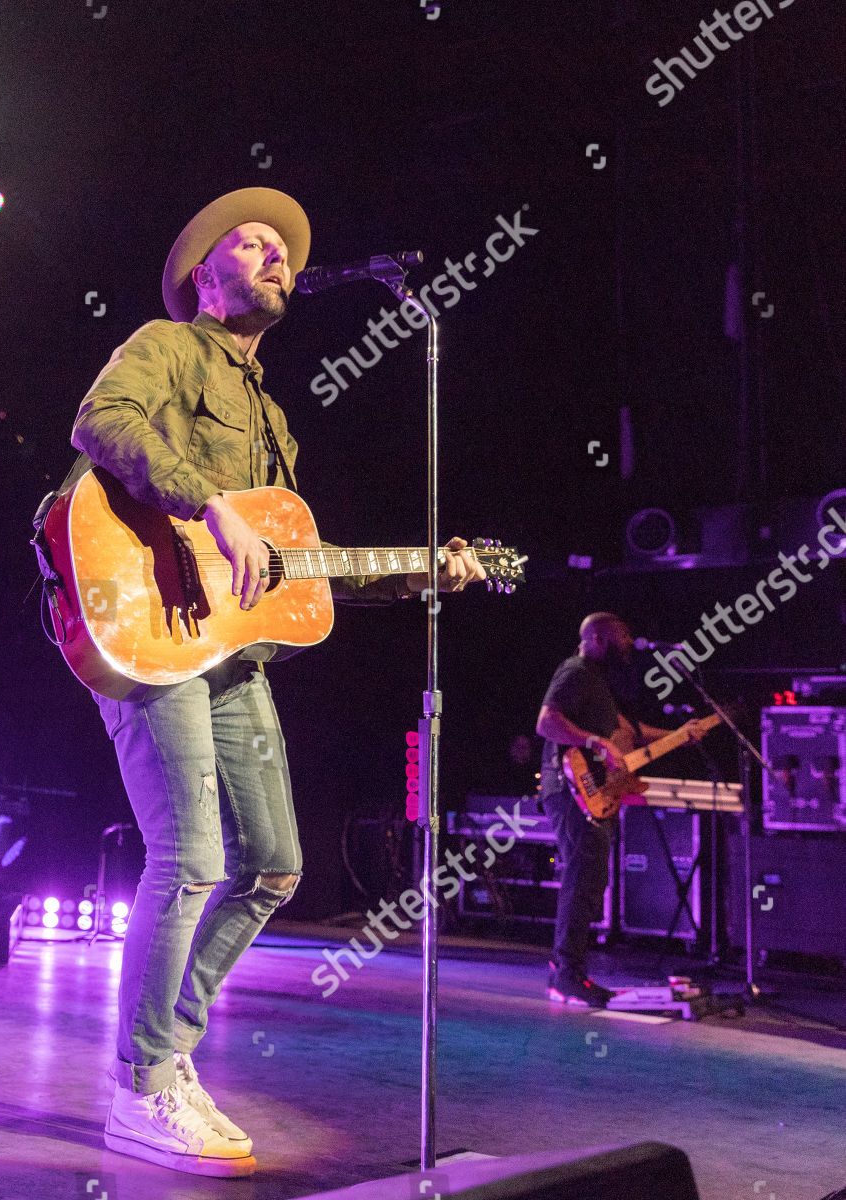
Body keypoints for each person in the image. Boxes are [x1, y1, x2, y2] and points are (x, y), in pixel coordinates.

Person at [67, 187, 486, 1177]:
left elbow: (287, 575)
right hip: (146, 624)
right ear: (202, 275)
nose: (274, 255)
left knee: (275, 867)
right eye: (249, 242)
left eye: (281, 249)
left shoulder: (276, 421)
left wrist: (424, 572)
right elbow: (101, 422)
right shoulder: (166, 348)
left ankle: (170, 1048)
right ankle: (146, 1077)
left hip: (229, 653)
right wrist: (209, 503)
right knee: (191, 858)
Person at [534, 612, 705, 1007]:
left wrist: (681, 736)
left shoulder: (599, 685)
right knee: (583, 878)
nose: (629, 643)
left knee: (591, 881)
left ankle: (565, 971)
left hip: (589, 794)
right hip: (571, 789)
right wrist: (595, 743)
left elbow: (634, 734)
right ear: (596, 638)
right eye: (621, 636)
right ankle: (567, 975)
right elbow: (547, 722)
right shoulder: (575, 671)